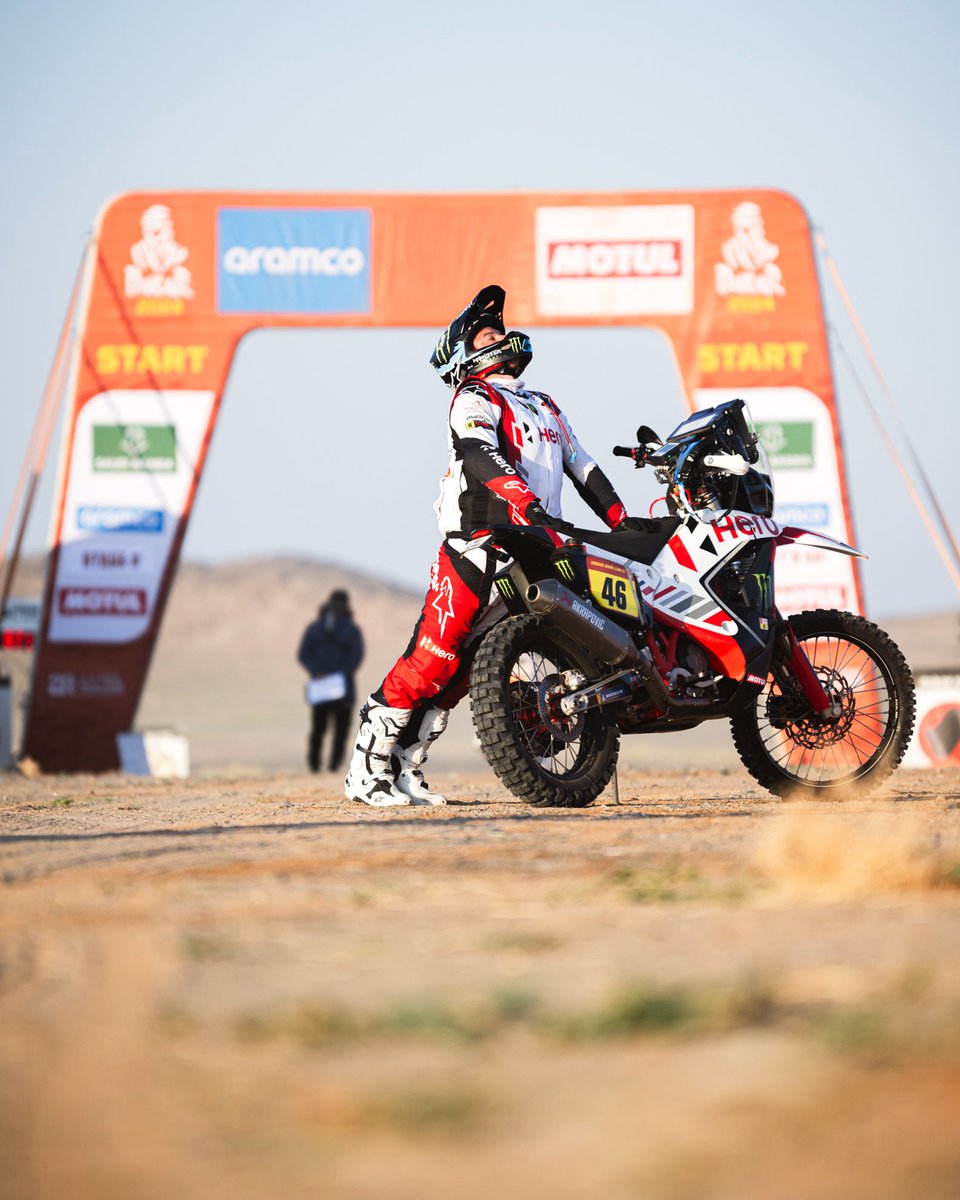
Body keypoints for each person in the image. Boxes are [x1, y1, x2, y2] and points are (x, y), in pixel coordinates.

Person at [344, 284, 638, 807]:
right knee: (431, 660)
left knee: (465, 674)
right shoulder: (472, 398)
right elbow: (479, 453)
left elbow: (583, 467)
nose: (499, 334)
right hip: (476, 545)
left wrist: (622, 523)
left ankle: (406, 769)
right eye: (485, 331)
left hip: (537, 550)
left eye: (499, 327)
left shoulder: (544, 403)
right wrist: (524, 502)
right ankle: (367, 773)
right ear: (464, 354)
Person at [298, 589, 364, 773]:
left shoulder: (314, 628)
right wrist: (339, 674)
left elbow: (304, 654)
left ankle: (314, 765)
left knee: (319, 727)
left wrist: (317, 672)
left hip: (320, 685)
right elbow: (356, 656)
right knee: (339, 729)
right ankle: (332, 766)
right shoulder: (351, 629)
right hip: (343, 687)